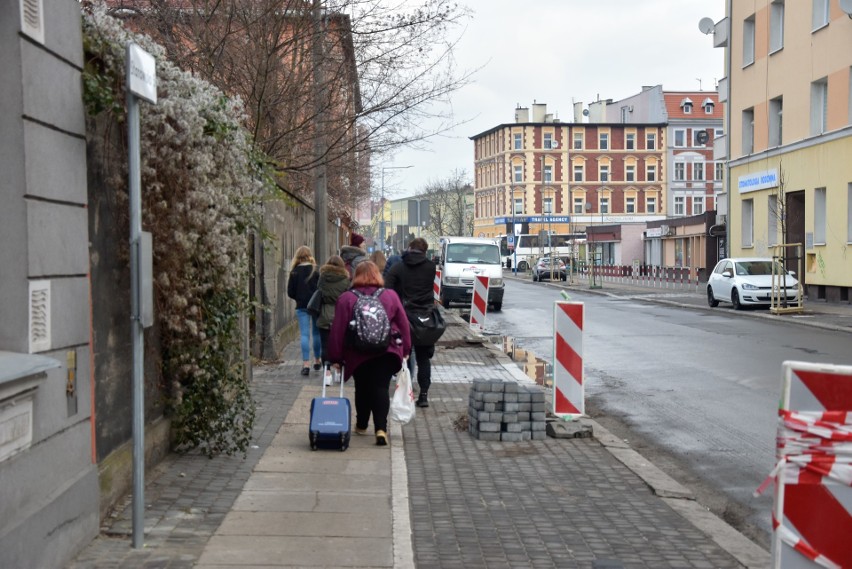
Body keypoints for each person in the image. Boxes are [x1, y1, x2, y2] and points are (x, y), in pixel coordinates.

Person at [328, 261, 410, 446]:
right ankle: (381, 429)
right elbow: (404, 324)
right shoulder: (390, 296)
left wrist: (335, 357)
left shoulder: (346, 298)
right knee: (380, 387)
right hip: (386, 350)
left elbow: (338, 329)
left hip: (357, 352)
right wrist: (406, 349)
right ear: (377, 275)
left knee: (362, 388)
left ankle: (362, 424)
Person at [384, 237, 437, 408]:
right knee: (423, 358)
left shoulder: (398, 267)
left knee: (402, 355)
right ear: (424, 250)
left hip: (403, 317)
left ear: (409, 248)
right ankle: (423, 396)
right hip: (425, 318)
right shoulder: (431, 267)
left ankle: (403, 391)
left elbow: (387, 288)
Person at [287, 246, 322, 376]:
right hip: (315, 307)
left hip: (301, 306)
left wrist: (298, 297)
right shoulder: (316, 270)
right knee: (316, 334)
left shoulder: (294, 272)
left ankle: (306, 364)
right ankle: (317, 360)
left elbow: (290, 292)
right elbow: (320, 289)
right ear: (309, 256)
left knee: (305, 335)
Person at [316, 255, 350, 369]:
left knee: (325, 345)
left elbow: (319, 291)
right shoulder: (345, 280)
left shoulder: (323, 277)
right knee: (340, 344)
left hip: (325, 313)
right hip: (340, 315)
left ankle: (327, 372)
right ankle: (338, 370)